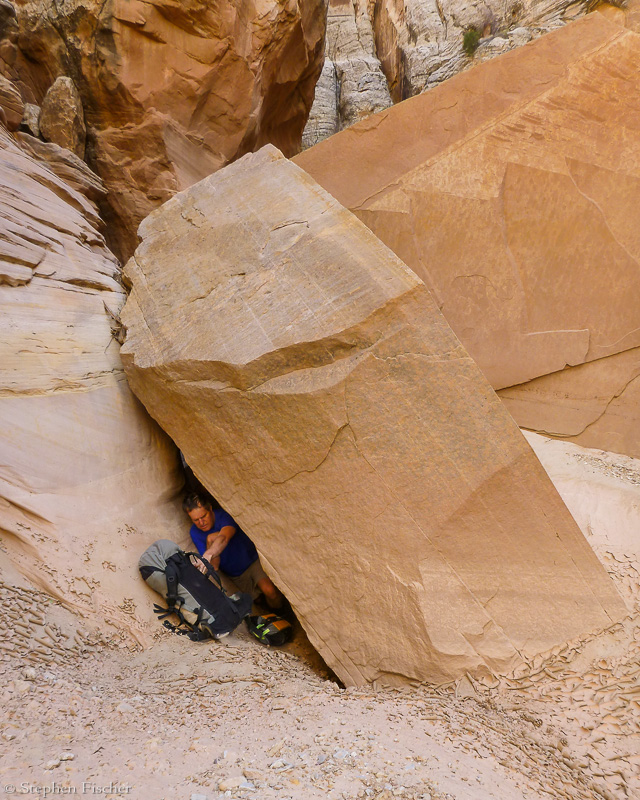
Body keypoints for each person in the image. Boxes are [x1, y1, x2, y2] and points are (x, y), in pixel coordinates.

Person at [182, 493, 284, 610]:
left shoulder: (224, 516)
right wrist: (210, 540)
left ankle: (282, 616)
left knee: (270, 591)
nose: (201, 522)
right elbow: (215, 565)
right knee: (257, 602)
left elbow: (224, 537)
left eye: (203, 516)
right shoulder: (195, 532)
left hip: (252, 561)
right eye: (196, 520)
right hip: (235, 575)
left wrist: (208, 553)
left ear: (210, 508)